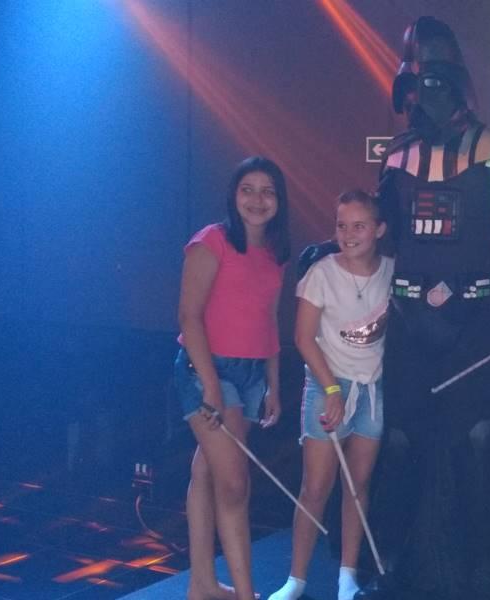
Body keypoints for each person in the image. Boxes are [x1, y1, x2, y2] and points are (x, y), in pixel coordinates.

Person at [361, 15, 490, 600]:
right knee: (402, 440)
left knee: (477, 439)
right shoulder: (398, 157)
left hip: (477, 320)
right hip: (412, 318)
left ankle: (478, 566)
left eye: (438, 80)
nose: (427, 94)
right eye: (418, 82)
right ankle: (398, 563)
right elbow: (385, 234)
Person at [174, 156, 291, 600]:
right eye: (248, 189)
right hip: (207, 369)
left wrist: (274, 383)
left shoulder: (275, 253)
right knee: (235, 484)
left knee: (208, 472)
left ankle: (202, 584)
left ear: (279, 201)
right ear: (233, 195)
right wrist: (209, 385)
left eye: (267, 191)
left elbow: (270, 321)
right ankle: (245, 594)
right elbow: (189, 316)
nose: (257, 200)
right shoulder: (212, 241)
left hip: (252, 374)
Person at [269, 190, 392, 600]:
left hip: (372, 390)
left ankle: (347, 577)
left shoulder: (392, 271)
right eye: (341, 225)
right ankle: (296, 579)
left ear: (379, 229)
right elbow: (303, 338)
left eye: (359, 226)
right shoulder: (321, 273)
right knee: (316, 487)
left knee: (358, 487)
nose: (348, 234)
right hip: (328, 386)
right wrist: (333, 389)